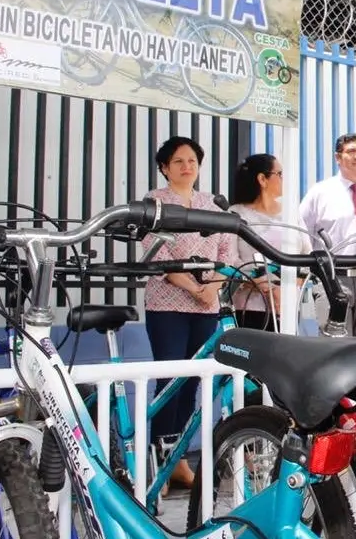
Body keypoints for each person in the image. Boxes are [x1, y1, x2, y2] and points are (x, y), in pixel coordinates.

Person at [141, 136, 236, 491]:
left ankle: (178, 460)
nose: (186, 167)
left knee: (195, 381)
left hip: (206, 304)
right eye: (178, 161)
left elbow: (225, 249)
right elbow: (154, 251)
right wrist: (192, 287)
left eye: (192, 161)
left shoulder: (211, 203)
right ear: (165, 167)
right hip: (168, 302)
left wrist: (211, 287)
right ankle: (158, 464)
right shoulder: (155, 201)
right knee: (170, 380)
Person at [299, 133, 356, 337]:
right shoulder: (320, 192)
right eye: (351, 151)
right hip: (334, 279)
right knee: (335, 346)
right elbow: (301, 232)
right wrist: (315, 269)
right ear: (338, 157)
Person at [229, 153, 312, 331]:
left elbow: (306, 253)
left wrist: (290, 286)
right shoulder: (236, 214)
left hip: (288, 305)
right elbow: (231, 258)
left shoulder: (291, 212)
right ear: (262, 179)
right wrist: (267, 286)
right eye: (280, 174)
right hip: (251, 306)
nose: (284, 179)